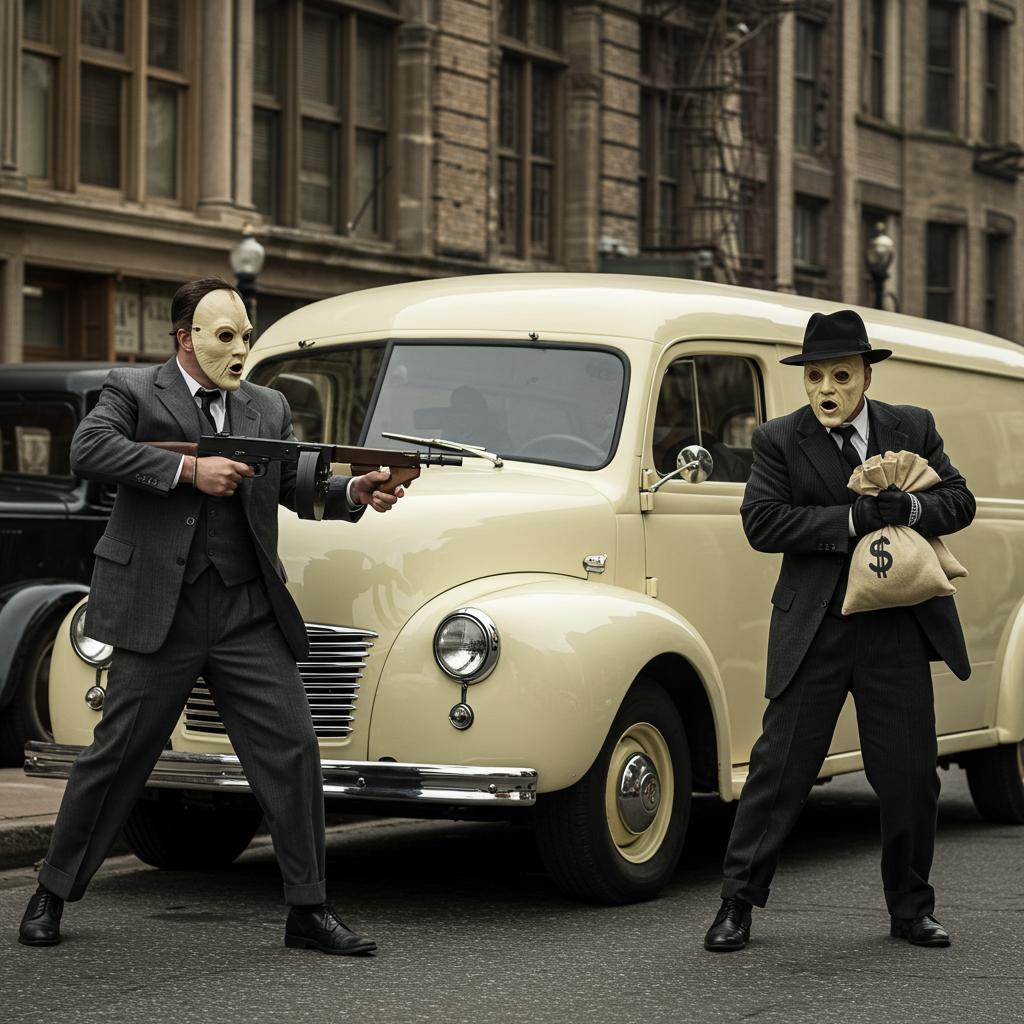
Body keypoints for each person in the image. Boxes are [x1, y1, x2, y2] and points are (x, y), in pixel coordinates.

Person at [19, 278, 401, 955]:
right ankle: (52, 890)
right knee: (118, 756)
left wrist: (354, 491)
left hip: (246, 609)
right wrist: (189, 472)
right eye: (225, 335)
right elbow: (90, 449)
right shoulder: (134, 392)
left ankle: (308, 909)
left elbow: (291, 485)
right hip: (158, 608)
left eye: (247, 335)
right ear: (184, 337)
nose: (240, 348)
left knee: (292, 751)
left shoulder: (268, 405)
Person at [703, 309, 975, 952]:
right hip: (816, 630)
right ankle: (736, 904)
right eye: (815, 376)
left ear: (865, 376)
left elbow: (960, 501)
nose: (826, 388)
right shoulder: (778, 439)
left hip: (895, 630)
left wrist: (909, 506)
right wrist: (850, 520)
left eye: (840, 376)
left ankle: (911, 910)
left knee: (911, 778)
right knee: (779, 774)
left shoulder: (913, 427)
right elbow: (762, 523)